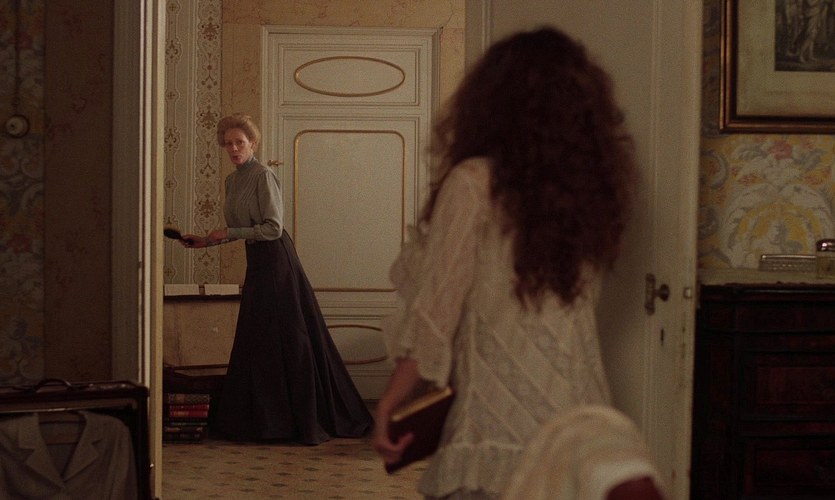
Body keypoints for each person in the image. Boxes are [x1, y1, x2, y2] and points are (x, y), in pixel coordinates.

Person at [372, 27, 637, 499]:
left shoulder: (474, 182)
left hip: (496, 422)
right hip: (580, 414)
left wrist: (391, 398)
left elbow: (436, 313)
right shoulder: (591, 191)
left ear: (492, 101)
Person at [181, 113, 373, 445]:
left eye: (240, 143)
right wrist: (207, 241)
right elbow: (240, 229)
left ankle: (297, 421)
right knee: (260, 339)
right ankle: (267, 420)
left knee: (289, 338)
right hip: (257, 262)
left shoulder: (264, 175)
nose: (233, 149)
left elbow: (272, 228)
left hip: (277, 261)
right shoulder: (232, 181)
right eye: (228, 144)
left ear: (253, 144)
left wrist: (229, 232)